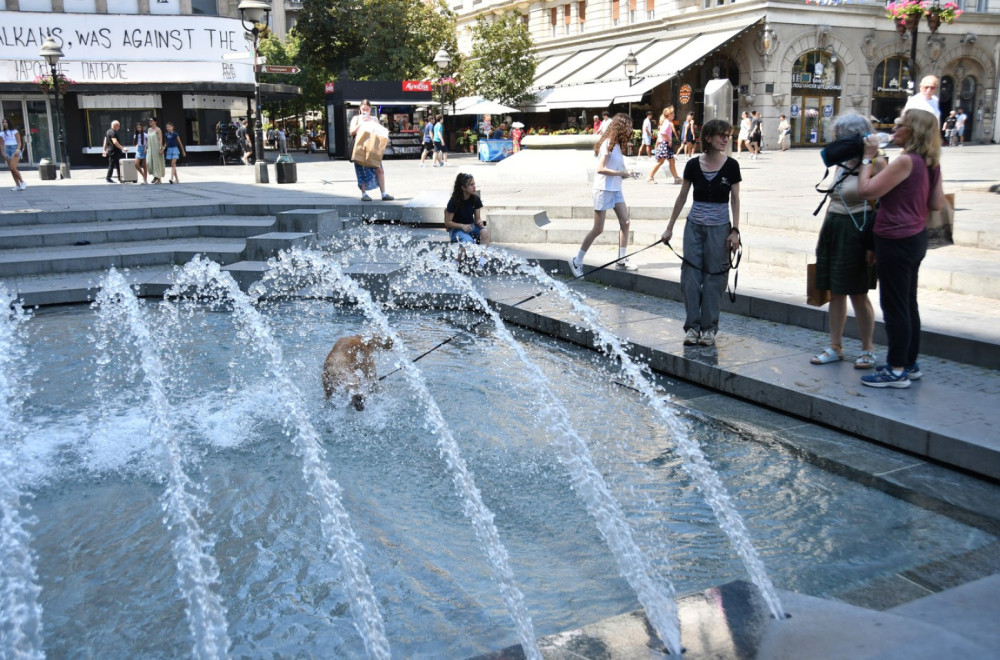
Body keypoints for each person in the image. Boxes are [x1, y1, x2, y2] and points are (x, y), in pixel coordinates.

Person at [854, 108, 943, 388]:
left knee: (894, 306)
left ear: (913, 132)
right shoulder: (930, 162)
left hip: (895, 238)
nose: (895, 127)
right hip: (915, 238)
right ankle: (909, 363)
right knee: (907, 302)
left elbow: (866, 190)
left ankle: (895, 370)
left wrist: (868, 157)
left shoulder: (906, 161)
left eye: (901, 124)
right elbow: (937, 203)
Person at [810, 113, 885, 370]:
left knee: (858, 292)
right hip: (834, 226)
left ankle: (867, 350)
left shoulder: (877, 162)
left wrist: (872, 245)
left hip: (859, 229)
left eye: (841, 137)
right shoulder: (842, 162)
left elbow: (884, 205)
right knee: (836, 290)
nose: (837, 142)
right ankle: (835, 346)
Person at [661, 118, 741, 347]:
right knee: (690, 277)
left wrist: (734, 231)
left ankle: (709, 329)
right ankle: (692, 328)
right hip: (694, 228)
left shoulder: (732, 166)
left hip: (720, 229)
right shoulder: (693, 165)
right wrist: (669, 228)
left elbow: (735, 199)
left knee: (715, 278)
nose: (726, 139)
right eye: (721, 135)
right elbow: (682, 197)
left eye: (728, 135)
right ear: (708, 138)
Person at [568, 113, 637, 277]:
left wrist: (628, 173)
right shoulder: (608, 144)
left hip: (615, 189)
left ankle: (622, 259)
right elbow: (600, 169)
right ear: (621, 127)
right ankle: (577, 260)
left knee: (625, 222)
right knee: (598, 229)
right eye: (629, 126)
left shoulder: (618, 145)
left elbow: (618, 170)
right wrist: (622, 172)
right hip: (603, 189)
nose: (631, 129)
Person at [348, 99, 393, 201]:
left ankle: (384, 193)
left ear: (370, 109)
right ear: (360, 108)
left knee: (379, 169)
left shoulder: (374, 118)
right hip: (360, 147)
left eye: (367, 109)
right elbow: (352, 132)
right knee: (361, 171)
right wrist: (361, 123)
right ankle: (364, 194)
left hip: (372, 147)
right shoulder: (356, 118)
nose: (365, 110)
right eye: (363, 108)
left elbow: (378, 132)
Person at [444, 173, 491, 267]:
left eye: (474, 184)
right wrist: (462, 226)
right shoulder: (454, 201)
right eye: (471, 184)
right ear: (463, 188)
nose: (474, 187)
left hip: (471, 226)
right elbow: (447, 223)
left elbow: (477, 219)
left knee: (485, 232)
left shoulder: (475, 199)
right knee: (468, 242)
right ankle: (455, 263)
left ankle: (481, 264)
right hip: (456, 229)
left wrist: (479, 222)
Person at [647, 106, 681, 184]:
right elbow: (662, 133)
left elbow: (661, 134)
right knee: (661, 161)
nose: (674, 115)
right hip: (665, 144)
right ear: (668, 114)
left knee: (671, 161)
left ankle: (676, 178)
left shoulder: (666, 122)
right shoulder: (667, 123)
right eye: (672, 113)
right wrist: (669, 140)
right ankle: (650, 177)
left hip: (665, 144)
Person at [1, 118, 26, 191]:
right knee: (11, 169)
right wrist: (3, 152)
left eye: (6, 122)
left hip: (14, 148)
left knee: (13, 168)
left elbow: (19, 142)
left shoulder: (15, 131)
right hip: (7, 149)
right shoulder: (2, 133)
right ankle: (17, 185)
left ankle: (22, 182)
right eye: (3, 122)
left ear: (9, 123)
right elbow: (1, 144)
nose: (4, 124)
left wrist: (18, 150)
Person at [146, 116, 165, 184]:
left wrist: (161, 148)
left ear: (155, 122)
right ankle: (155, 176)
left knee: (157, 163)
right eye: (149, 121)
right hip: (150, 148)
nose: (150, 122)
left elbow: (160, 139)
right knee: (149, 163)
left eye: (151, 121)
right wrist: (146, 148)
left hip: (156, 148)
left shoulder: (158, 129)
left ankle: (159, 179)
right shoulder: (149, 129)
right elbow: (148, 139)